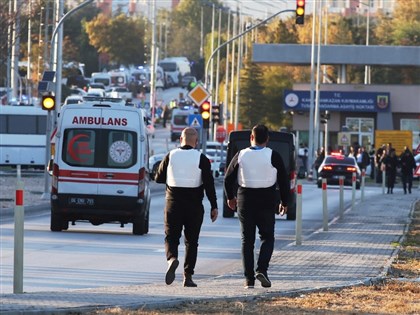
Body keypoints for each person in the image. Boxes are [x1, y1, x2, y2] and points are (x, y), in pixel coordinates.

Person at [224, 124, 289, 289]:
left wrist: (230, 197)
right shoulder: (273, 155)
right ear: (267, 139)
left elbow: (228, 178)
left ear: (251, 138)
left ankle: (249, 280)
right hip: (267, 199)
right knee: (267, 238)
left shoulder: (241, 155)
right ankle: (262, 269)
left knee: (247, 241)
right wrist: (285, 202)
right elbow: (283, 180)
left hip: (245, 198)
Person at [155, 127, 218, 287]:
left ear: (180, 140)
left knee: (171, 236)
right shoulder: (202, 158)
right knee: (192, 242)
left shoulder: (170, 156)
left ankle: (172, 259)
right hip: (194, 205)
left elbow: (158, 178)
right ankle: (188, 276)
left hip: (173, 203)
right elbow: (209, 185)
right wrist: (214, 206)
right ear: (196, 142)